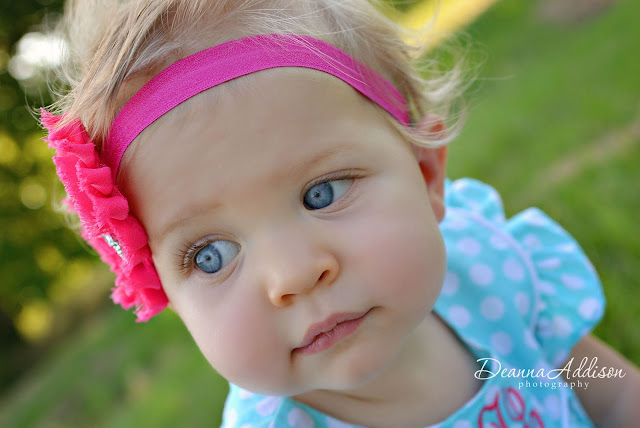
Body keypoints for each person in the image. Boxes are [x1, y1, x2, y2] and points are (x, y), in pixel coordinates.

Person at [41, 0, 640, 426]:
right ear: (165, 289)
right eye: (211, 255)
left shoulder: (489, 276)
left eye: (321, 194)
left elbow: (611, 397)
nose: (295, 274)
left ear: (427, 175)